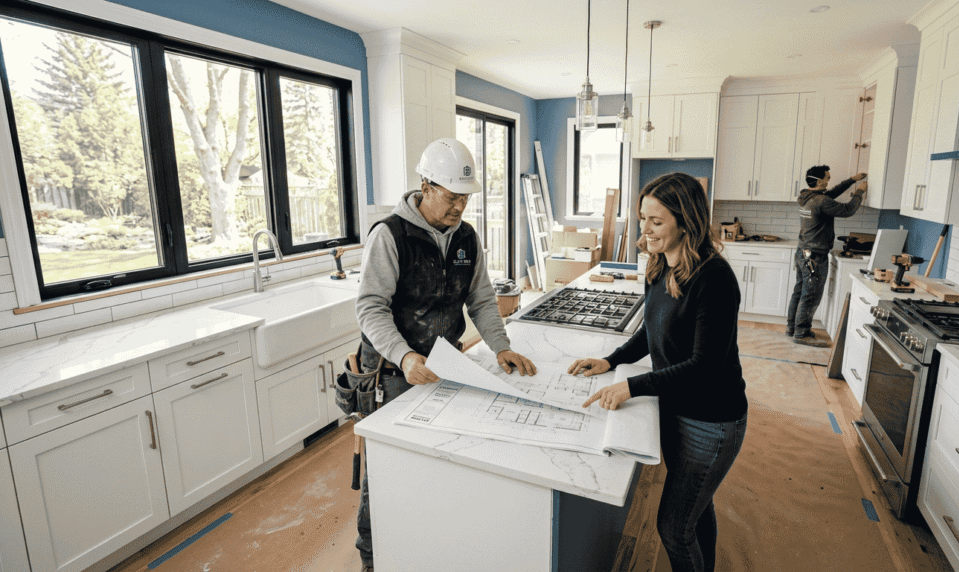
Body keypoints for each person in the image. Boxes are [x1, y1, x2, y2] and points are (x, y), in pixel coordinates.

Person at [352, 137, 536, 572]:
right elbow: (369, 306)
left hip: (443, 362)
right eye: (451, 198)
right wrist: (404, 356)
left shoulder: (466, 238)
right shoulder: (390, 235)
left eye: (464, 199)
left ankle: (424, 546)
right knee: (387, 468)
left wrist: (500, 346)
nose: (459, 208)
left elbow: (481, 298)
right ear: (425, 185)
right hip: (393, 372)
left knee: (438, 455)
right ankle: (372, 559)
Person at [568, 172, 747, 572]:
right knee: (697, 509)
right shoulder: (659, 265)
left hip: (712, 421)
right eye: (642, 218)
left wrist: (634, 385)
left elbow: (704, 368)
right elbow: (651, 328)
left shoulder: (714, 279)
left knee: (673, 528)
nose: (644, 230)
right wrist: (612, 360)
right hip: (678, 408)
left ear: (686, 222)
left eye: (656, 221)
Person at [786, 165, 867, 347]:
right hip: (815, 255)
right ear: (820, 180)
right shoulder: (821, 201)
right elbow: (847, 210)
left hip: (802, 252)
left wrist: (852, 179)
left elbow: (831, 193)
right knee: (811, 295)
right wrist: (859, 192)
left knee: (800, 292)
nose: (829, 180)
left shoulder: (806, 197)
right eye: (828, 177)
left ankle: (792, 328)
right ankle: (801, 333)